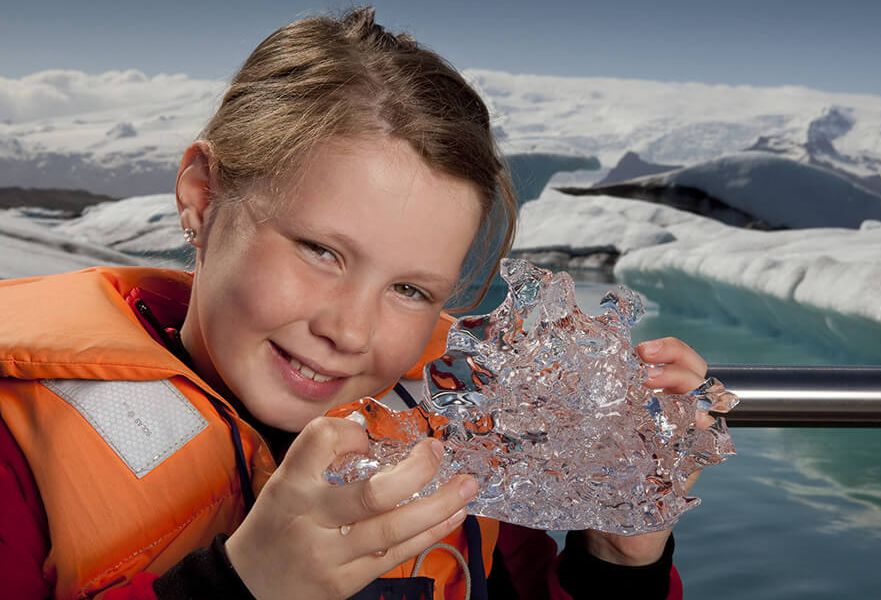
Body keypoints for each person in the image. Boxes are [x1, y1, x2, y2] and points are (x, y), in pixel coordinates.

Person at [0, 8, 711, 599]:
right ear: (202, 197)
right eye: (320, 251)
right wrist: (237, 588)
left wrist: (619, 561)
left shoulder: (459, 436)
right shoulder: (17, 450)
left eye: (410, 290)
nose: (348, 330)